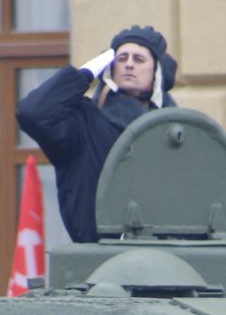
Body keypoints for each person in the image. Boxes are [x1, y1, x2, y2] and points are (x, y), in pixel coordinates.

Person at [16, 25, 179, 242]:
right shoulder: (83, 123)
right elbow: (33, 112)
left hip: (163, 256)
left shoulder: (171, 129)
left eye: (139, 59)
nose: (129, 64)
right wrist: (84, 74)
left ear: (156, 72)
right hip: (97, 256)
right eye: (121, 58)